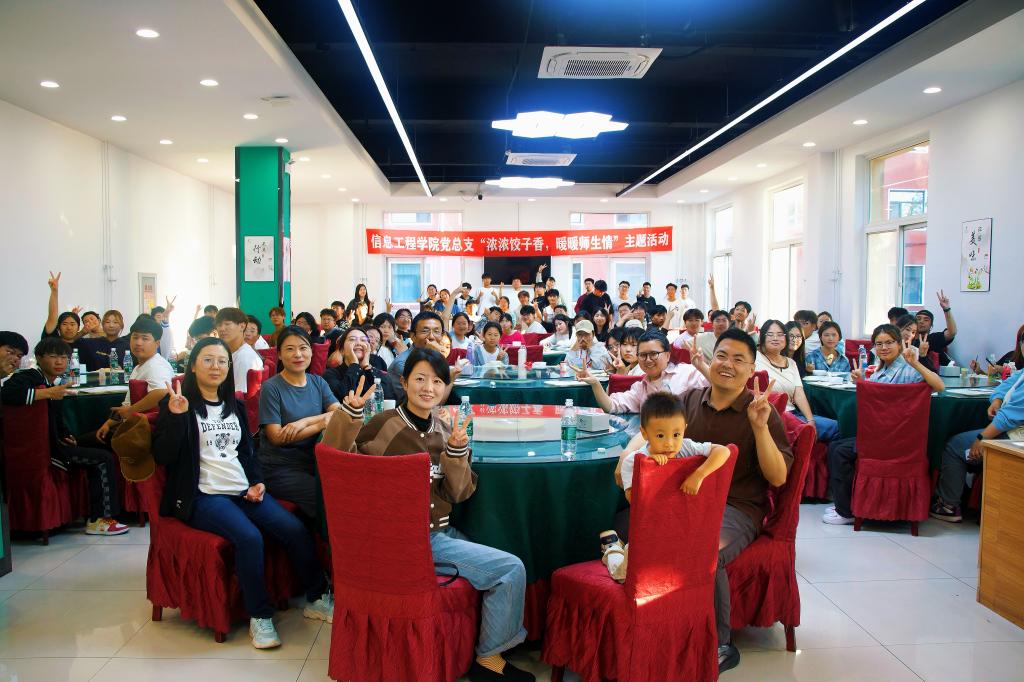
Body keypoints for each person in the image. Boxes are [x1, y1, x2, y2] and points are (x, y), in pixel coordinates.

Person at [323, 348, 533, 682]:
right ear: (404, 382)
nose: (428, 388)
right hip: (409, 540)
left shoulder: (445, 429)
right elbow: (340, 466)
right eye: (420, 379)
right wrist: (349, 416)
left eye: (437, 381)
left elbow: (458, 493)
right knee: (510, 568)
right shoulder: (385, 425)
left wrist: (457, 452)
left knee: (501, 544)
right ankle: (489, 658)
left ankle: (496, 641)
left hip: (441, 533)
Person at [153, 337, 332, 649]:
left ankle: (316, 597)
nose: (216, 367)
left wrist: (257, 481)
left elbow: (247, 453)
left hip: (242, 490)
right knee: (249, 537)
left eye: (222, 361)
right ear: (193, 366)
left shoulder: (233, 405)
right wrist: (177, 417)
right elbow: (163, 456)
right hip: (204, 496)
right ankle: (259, 617)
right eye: (208, 360)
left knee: (294, 529)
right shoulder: (178, 404)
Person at [670, 327, 794, 673]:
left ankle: (719, 644)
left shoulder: (762, 411)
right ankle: (661, 621)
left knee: (703, 549)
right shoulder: (688, 401)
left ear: (752, 369)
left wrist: (759, 427)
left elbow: (778, 477)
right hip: (685, 500)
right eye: (722, 355)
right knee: (621, 524)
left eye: (739, 360)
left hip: (737, 507)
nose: (727, 364)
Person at [2, 337, 129, 536]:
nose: (59, 362)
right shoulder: (29, 376)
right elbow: (8, 393)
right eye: (53, 357)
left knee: (104, 438)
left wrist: (66, 434)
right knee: (102, 459)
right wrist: (48, 393)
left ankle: (107, 511)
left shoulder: (51, 382)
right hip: (47, 450)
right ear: (39, 358)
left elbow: (54, 418)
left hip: (57, 441)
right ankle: (100, 520)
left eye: (64, 358)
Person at [601, 393, 733, 582]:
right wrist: (650, 469)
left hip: (678, 529)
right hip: (648, 532)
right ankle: (612, 550)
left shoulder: (686, 447)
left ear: (684, 429)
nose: (670, 443)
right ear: (645, 433)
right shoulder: (633, 461)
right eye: (660, 435)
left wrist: (699, 474)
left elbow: (724, 451)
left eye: (676, 434)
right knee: (623, 575)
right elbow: (635, 501)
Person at [823, 325, 945, 526]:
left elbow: (939, 386)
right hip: (883, 437)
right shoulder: (880, 370)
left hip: (895, 441)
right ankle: (849, 504)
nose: (884, 348)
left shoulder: (909, 370)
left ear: (899, 344)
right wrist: (862, 382)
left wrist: (916, 363)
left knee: (840, 451)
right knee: (837, 446)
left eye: (889, 342)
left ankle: (845, 511)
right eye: (879, 344)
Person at [257, 327, 341, 518]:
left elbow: (339, 413)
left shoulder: (318, 382)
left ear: (311, 351)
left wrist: (304, 422)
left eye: (303, 348)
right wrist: (321, 423)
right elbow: (277, 437)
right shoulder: (271, 387)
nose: (298, 354)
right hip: (279, 468)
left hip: (313, 461)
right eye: (290, 349)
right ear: (279, 354)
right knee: (326, 496)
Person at [931, 366, 1024, 522]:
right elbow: (1008, 384)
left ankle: (947, 505)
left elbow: (1010, 417)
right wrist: (997, 399)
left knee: (955, 446)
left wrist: (981, 438)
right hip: (1011, 430)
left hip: (1015, 438)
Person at [578, 330, 708, 414]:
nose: (648, 360)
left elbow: (718, 386)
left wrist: (702, 367)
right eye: (643, 355)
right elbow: (612, 406)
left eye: (653, 354)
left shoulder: (686, 373)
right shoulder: (641, 387)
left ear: (667, 355)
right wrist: (595, 383)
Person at [92, 316, 175, 443]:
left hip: (147, 434)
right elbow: (127, 404)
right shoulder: (138, 367)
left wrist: (130, 410)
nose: (138, 343)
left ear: (157, 343)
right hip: (133, 427)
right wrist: (108, 424)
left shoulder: (157, 366)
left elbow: (161, 392)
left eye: (145, 338)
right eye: (135, 337)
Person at [754, 319, 840, 442]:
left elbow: (799, 394)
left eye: (780, 334)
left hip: (793, 413)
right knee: (805, 431)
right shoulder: (754, 358)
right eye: (770, 334)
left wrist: (810, 420)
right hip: (772, 415)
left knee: (835, 427)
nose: (775, 338)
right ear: (762, 337)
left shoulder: (791, 363)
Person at [388, 311, 460, 401]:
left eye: (436, 331)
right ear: (413, 336)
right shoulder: (403, 363)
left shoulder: (430, 356)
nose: (431, 337)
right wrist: (451, 378)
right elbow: (430, 400)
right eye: (425, 331)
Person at [323, 327, 396, 404]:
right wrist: (354, 364)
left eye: (363, 340)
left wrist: (367, 367)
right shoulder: (330, 374)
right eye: (352, 339)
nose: (358, 343)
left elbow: (389, 399)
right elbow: (340, 397)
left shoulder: (376, 372)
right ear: (342, 349)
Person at [215, 308, 264, 394]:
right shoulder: (235, 352)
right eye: (219, 325)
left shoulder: (244, 357)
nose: (222, 329)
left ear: (242, 326)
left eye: (227, 324)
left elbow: (239, 396)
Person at [914, 290, 957, 366]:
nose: (921, 321)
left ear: (931, 326)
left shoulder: (933, 338)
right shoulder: (908, 340)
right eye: (918, 319)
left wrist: (946, 309)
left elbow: (952, 332)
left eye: (926, 320)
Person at [41, 271, 81, 346]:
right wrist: (54, 291)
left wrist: (73, 316)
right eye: (64, 324)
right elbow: (52, 317)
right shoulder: (52, 340)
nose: (69, 328)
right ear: (58, 327)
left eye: (72, 324)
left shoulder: (83, 344)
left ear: (78, 328)